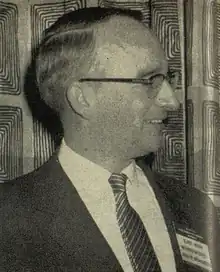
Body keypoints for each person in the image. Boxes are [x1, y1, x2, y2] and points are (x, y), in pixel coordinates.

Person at [0, 7, 219, 272]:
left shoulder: (195, 207)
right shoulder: (8, 218)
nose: (171, 101)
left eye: (168, 78)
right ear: (83, 98)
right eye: (149, 80)